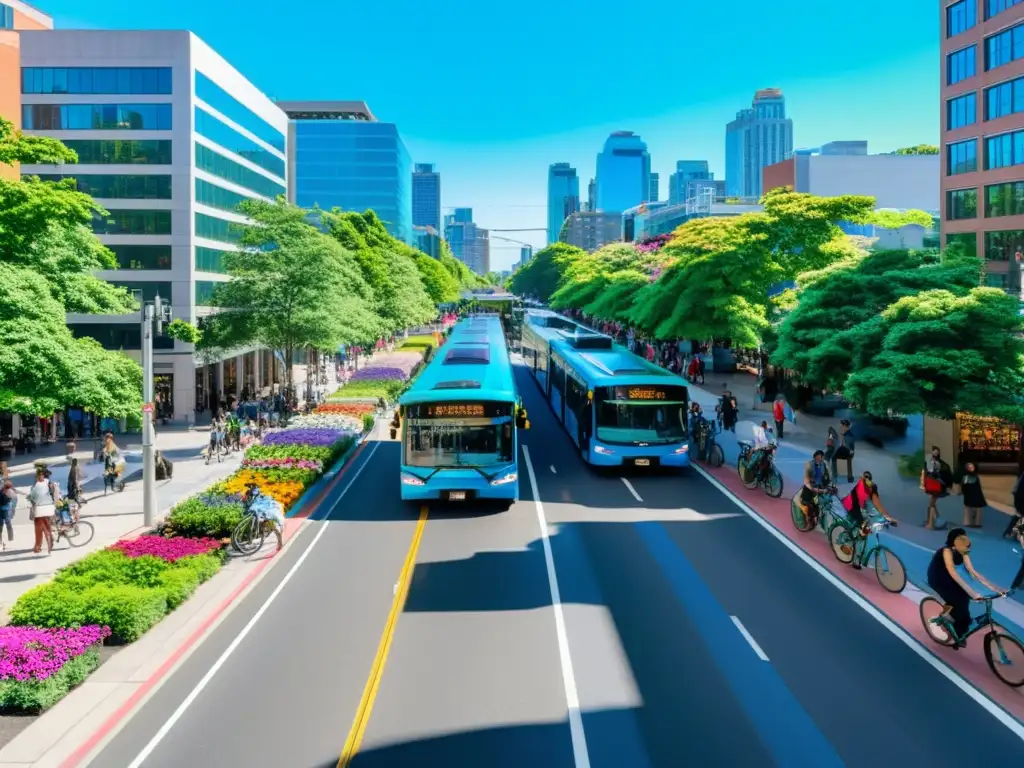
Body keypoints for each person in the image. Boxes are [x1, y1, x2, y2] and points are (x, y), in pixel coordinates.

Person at [927, 528, 1004, 647]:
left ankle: (960, 626)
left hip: (950, 578)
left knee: (964, 600)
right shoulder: (946, 551)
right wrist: (972, 592)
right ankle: (951, 627)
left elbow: (973, 571)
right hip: (938, 578)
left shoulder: (963, 551)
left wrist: (996, 588)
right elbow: (953, 573)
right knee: (959, 600)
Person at [840, 470, 898, 568]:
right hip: (854, 507)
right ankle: (850, 547)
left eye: (869, 478)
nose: (867, 480)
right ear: (862, 478)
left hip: (864, 509)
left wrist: (887, 517)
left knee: (865, 531)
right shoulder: (859, 487)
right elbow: (858, 505)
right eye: (865, 477)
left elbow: (877, 504)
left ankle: (856, 555)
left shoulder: (873, 488)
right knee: (861, 530)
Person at [921, 446, 953, 530]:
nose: (935, 454)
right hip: (932, 484)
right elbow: (926, 473)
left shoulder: (940, 464)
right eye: (933, 452)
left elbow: (945, 475)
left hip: (936, 485)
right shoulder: (930, 463)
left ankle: (931, 522)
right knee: (932, 504)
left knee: (932, 504)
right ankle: (933, 520)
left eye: (936, 452)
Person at [800, 450, 832, 526]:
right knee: (809, 504)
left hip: (820, 486)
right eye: (818, 457)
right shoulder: (809, 465)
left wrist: (830, 486)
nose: (820, 459)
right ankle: (807, 518)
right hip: (811, 488)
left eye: (821, 457)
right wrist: (814, 489)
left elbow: (828, 477)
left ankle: (820, 518)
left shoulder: (824, 465)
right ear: (815, 457)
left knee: (826, 502)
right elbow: (806, 481)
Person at [27, 468, 54, 554]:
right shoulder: (50, 483)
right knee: (47, 525)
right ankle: (50, 542)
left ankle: (37, 547)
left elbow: (33, 498)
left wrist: (29, 498)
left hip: (40, 509)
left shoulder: (36, 485)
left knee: (38, 529)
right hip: (49, 508)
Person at [957, 462, 986, 529]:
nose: (971, 468)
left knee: (977, 508)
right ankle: (968, 522)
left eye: (972, 467)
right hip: (968, 496)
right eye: (969, 467)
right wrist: (961, 491)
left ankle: (977, 523)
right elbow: (962, 486)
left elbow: (979, 487)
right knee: (968, 508)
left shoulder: (976, 477)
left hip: (976, 496)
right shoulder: (965, 478)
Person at [0, 479, 15, 550]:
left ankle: (3, 540)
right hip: (6, 509)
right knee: (7, 522)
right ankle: (10, 538)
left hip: (4, 509)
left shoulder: (6, 491)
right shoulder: (9, 491)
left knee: (3, 524)